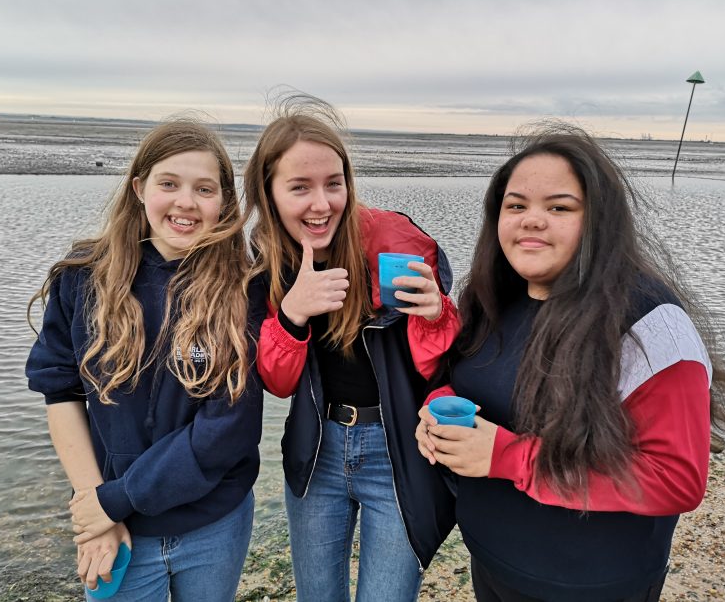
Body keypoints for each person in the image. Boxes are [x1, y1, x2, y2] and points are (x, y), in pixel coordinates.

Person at [415, 124, 725, 602]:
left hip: (592, 583)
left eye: (559, 207)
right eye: (516, 205)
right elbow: (463, 377)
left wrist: (509, 457)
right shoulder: (492, 298)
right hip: (492, 561)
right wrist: (437, 410)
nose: (532, 220)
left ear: (599, 222)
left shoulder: (651, 327)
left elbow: (676, 479)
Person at [25, 120, 264, 602]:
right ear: (139, 187)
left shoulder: (245, 286)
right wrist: (95, 507)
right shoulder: (83, 277)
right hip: (115, 526)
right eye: (169, 184)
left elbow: (229, 427)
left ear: (224, 202)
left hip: (214, 521)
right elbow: (61, 392)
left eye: (204, 189)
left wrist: (117, 499)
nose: (186, 203)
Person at [242, 95, 457, 602]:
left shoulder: (395, 241)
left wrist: (435, 314)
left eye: (333, 184)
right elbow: (278, 382)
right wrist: (294, 313)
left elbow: (443, 360)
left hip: (396, 449)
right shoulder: (268, 258)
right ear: (268, 193)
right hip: (317, 452)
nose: (322, 204)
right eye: (300, 187)